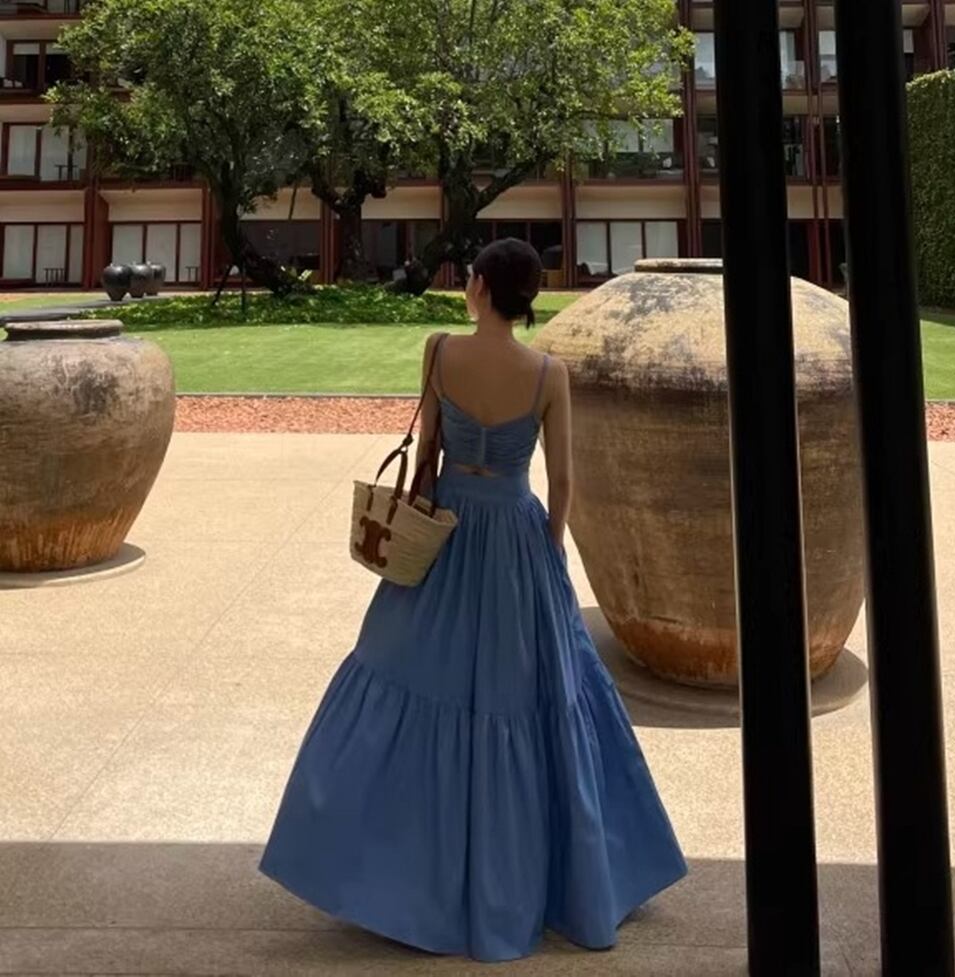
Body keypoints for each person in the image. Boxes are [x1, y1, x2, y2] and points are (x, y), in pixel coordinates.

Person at [260, 238, 687, 962]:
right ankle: (563, 879)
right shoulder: (548, 373)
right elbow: (562, 481)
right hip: (517, 533)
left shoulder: (439, 352)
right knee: (533, 694)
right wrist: (549, 547)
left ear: (481, 287)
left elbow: (426, 453)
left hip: (448, 530)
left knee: (408, 673)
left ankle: (394, 873)